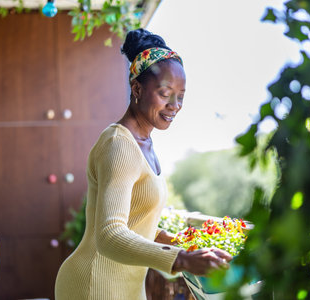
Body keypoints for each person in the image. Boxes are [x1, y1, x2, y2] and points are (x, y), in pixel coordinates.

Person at [54, 29, 232, 300]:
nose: (175, 105)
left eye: (181, 95)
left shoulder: (144, 143)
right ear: (137, 89)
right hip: (95, 285)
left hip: (127, 286)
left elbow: (136, 223)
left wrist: (174, 241)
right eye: (165, 93)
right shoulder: (119, 144)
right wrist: (182, 259)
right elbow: (110, 235)